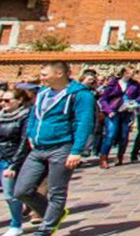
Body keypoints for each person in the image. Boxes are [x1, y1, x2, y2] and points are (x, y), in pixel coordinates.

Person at [9, 60, 94, 235]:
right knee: (21, 190)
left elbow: (84, 122)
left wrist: (76, 151)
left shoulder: (80, 95)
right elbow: (34, 115)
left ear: (59, 74)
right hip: (38, 148)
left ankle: (46, 229)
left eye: (44, 75)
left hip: (62, 147)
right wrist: (31, 133)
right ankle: (55, 214)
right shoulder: (43, 92)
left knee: (56, 191)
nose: (41, 78)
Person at [0, 87, 32, 233]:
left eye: (7, 100)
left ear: (19, 100)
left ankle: (16, 225)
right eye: (1, 100)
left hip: (11, 159)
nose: (3, 103)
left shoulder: (25, 116)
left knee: (10, 195)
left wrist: (13, 165)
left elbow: (24, 142)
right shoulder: (1, 116)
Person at [95, 67, 131, 168]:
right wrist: (109, 110)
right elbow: (103, 99)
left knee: (124, 136)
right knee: (110, 135)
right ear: (123, 73)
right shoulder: (113, 84)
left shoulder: (134, 84)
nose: (131, 74)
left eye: (132, 72)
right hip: (113, 112)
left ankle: (120, 156)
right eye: (128, 72)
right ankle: (103, 158)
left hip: (126, 112)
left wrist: (135, 102)